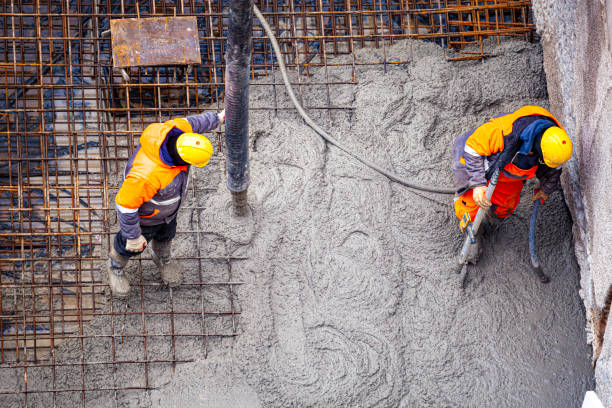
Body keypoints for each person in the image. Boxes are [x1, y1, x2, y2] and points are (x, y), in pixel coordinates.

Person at [108, 110, 225, 298]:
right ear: (183, 159)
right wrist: (133, 236)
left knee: (166, 236)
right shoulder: (146, 175)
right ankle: (115, 268)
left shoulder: (178, 131)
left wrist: (218, 118)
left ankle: (163, 259)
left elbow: (195, 122)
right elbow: (125, 205)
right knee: (125, 247)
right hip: (145, 219)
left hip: (168, 213)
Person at [452, 106, 573, 263]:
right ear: (539, 148)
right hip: (475, 160)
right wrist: (477, 184)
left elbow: (553, 169)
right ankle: (474, 230)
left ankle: (489, 222)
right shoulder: (506, 132)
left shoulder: (556, 145)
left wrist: (545, 189)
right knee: (472, 202)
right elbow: (473, 148)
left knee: (505, 205)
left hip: (509, 170)